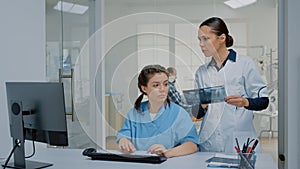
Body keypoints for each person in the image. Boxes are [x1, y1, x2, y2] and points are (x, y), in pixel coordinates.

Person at [194, 17, 269, 153]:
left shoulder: (245, 64)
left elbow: (264, 101)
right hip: (209, 143)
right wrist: (201, 105)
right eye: (199, 40)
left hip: (238, 142)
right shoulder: (201, 72)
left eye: (206, 39)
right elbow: (197, 113)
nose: (201, 44)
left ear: (222, 38)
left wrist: (245, 102)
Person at [116, 64, 199, 158]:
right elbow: (124, 134)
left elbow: (192, 145)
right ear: (144, 88)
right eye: (156, 85)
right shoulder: (134, 113)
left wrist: (167, 152)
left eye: (166, 84)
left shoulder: (179, 113)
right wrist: (124, 140)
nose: (162, 89)